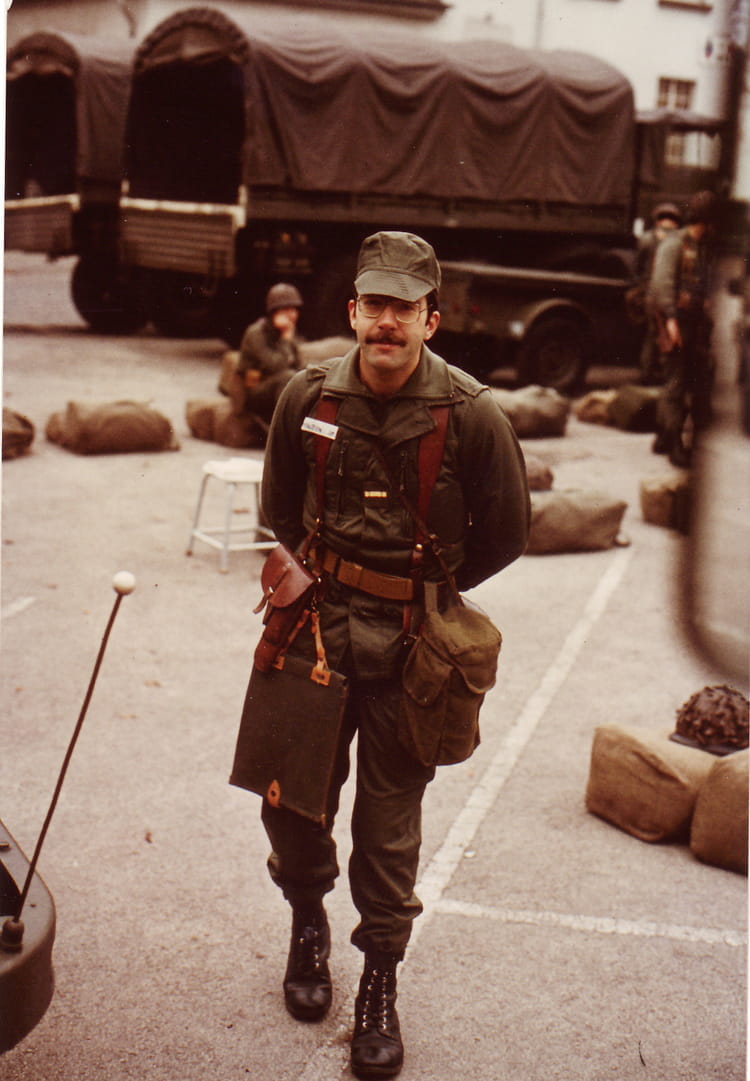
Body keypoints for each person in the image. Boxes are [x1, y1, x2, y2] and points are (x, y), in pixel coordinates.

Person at [258, 231, 530, 1079]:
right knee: (292, 804)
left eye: (403, 309)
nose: (386, 322)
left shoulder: (471, 413)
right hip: (316, 628)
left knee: (387, 828)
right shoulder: (306, 395)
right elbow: (278, 505)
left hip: (412, 647)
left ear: (430, 320)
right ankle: (308, 922)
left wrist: (425, 591)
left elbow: (507, 532)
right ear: (352, 311)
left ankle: (379, 976)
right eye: (374, 304)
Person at [648, 190, 717, 467]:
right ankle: (674, 442)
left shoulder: (700, 247)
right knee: (676, 383)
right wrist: (671, 320)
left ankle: (663, 435)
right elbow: (661, 284)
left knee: (684, 381)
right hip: (674, 322)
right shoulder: (675, 245)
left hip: (693, 324)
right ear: (707, 221)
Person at [235, 282, 304, 430]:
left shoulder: (286, 331)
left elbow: (298, 364)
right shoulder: (256, 333)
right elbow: (276, 366)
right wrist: (286, 340)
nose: (292, 315)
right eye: (286, 310)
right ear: (274, 312)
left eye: (294, 309)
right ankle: (284, 428)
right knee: (287, 377)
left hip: (277, 385)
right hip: (255, 389)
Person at [633, 202, 683, 385]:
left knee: (651, 335)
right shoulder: (678, 241)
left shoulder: (646, 239)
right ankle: (662, 377)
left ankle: (646, 375)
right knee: (666, 336)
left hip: (650, 295)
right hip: (669, 295)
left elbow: (637, 267)